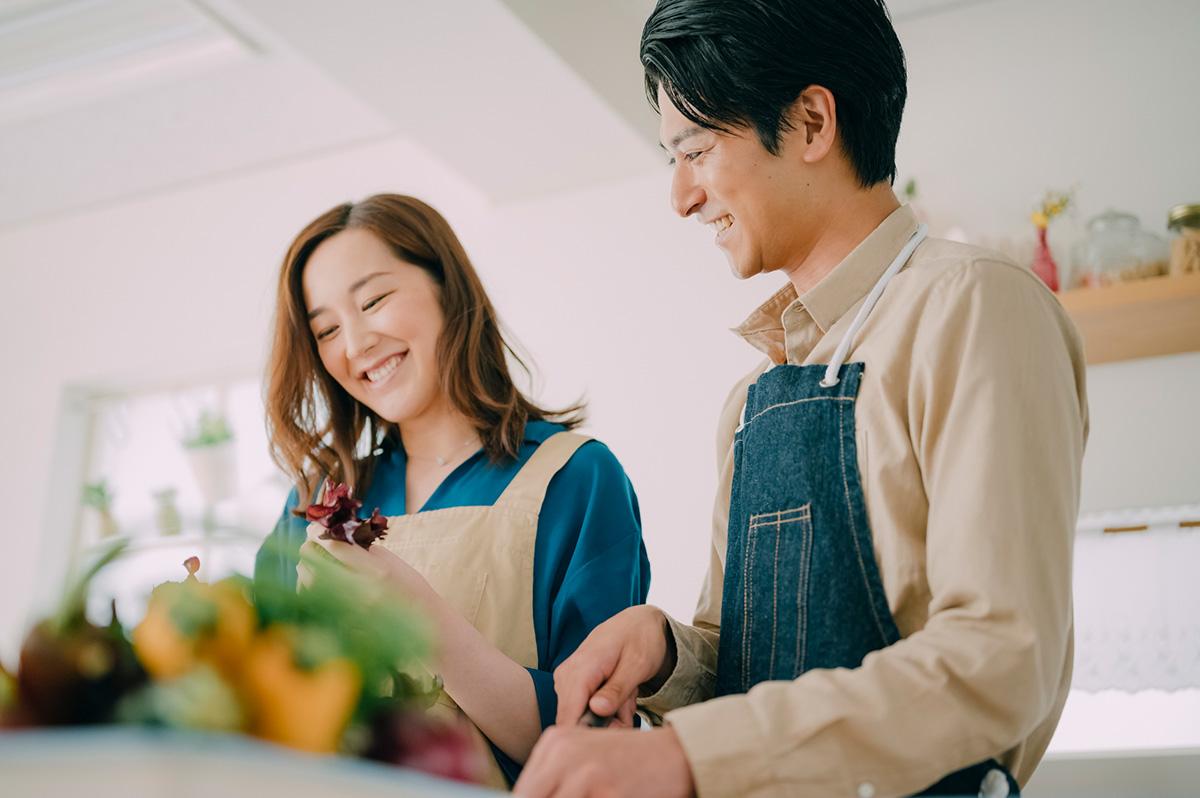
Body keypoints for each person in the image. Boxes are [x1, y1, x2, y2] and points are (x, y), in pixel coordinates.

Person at [515, 1, 1088, 796]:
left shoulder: (973, 307)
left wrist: (688, 757)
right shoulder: (752, 399)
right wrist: (670, 651)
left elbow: (998, 660)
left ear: (813, 122)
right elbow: (747, 662)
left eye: (698, 150)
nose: (680, 197)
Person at [253, 193, 650, 789]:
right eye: (327, 329)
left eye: (374, 300)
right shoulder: (312, 501)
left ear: (447, 286)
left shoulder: (573, 478)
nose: (355, 344)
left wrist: (416, 612)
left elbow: (587, 743)